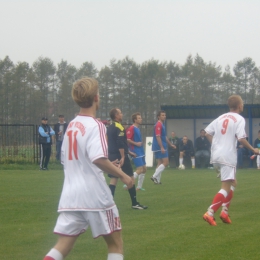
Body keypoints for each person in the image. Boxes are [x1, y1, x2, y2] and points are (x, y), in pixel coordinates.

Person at [43, 77, 133, 260]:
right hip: (95, 195)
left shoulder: (71, 126)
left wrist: (105, 164)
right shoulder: (96, 125)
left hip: (70, 194)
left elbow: (68, 159)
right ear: (96, 97)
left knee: (62, 245)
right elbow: (98, 158)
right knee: (115, 244)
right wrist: (123, 175)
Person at [202, 95, 259, 226]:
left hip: (216, 155)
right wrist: (253, 150)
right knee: (225, 188)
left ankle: (225, 212)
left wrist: (216, 144)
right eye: (242, 103)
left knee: (233, 182)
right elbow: (241, 138)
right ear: (239, 106)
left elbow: (207, 133)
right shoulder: (239, 119)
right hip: (227, 156)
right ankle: (210, 212)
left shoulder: (220, 117)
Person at [107, 108, 148, 210]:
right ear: (116, 115)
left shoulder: (109, 127)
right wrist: (123, 156)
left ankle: (108, 204)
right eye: (120, 113)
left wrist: (129, 152)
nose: (122, 114)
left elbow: (109, 141)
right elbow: (120, 143)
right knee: (130, 179)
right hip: (120, 156)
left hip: (112, 156)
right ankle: (135, 203)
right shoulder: (119, 127)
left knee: (114, 179)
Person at [150, 110, 173, 184]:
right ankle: (154, 176)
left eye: (165, 115)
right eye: (162, 115)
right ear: (158, 117)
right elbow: (158, 136)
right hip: (159, 146)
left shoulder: (162, 124)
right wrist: (162, 147)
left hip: (160, 146)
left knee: (160, 162)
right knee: (166, 162)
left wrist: (170, 144)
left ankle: (157, 181)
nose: (164, 116)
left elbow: (164, 136)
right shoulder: (158, 125)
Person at [126, 112, 146, 191]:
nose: (141, 119)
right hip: (135, 150)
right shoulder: (131, 128)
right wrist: (136, 143)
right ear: (135, 120)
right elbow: (127, 139)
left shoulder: (137, 128)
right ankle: (128, 182)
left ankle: (139, 187)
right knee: (140, 169)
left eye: (140, 118)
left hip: (141, 150)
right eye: (139, 118)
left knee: (144, 169)